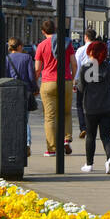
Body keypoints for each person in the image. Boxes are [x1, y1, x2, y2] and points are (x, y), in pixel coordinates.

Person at [34, 17, 75, 156]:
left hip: (48, 82)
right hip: (66, 80)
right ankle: (66, 139)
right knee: (67, 112)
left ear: (43, 31)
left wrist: (34, 83)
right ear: (55, 29)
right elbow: (74, 63)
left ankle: (52, 149)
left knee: (50, 117)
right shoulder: (67, 43)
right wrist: (72, 78)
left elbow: (37, 69)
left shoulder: (41, 45)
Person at [76, 38, 110, 175]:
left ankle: (89, 164)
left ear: (92, 52)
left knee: (91, 136)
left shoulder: (86, 67)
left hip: (91, 107)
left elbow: (81, 88)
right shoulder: (109, 66)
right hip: (107, 106)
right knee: (106, 136)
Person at [6, 37, 38, 158]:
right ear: (19, 46)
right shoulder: (27, 58)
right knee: (24, 119)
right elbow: (31, 76)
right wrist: (35, 88)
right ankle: (27, 142)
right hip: (24, 91)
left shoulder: (6, 59)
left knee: (13, 118)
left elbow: (5, 75)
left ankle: (14, 143)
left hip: (11, 91)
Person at [74, 29, 98, 138]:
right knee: (92, 104)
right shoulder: (98, 49)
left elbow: (77, 66)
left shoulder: (81, 50)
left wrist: (75, 80)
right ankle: (91, 127)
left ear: (86, 37)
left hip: (82, 78)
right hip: (94, 77)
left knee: (80, 104)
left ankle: (83, 127)